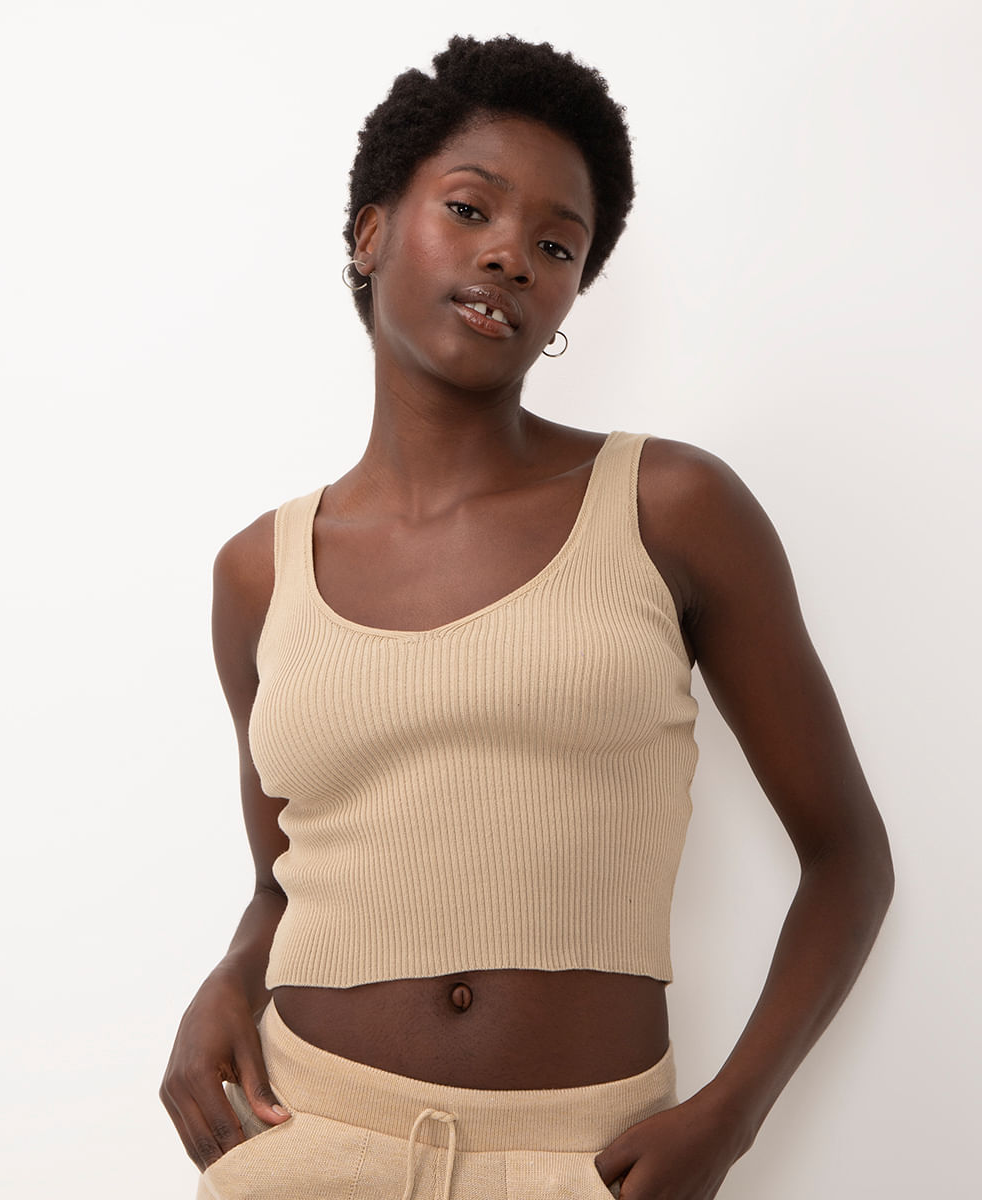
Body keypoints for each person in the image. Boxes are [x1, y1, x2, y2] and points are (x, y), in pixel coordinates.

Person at [160, 34, 893, 1200]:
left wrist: (728, 1119)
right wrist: (228, 979)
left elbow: (848, 860)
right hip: (305, 1140)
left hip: (581, 1158)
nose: (511, 254)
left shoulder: (670, 506)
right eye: (469, 209)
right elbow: (280, 879)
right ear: (369, 234)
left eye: (557, 245)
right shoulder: (259, 571)